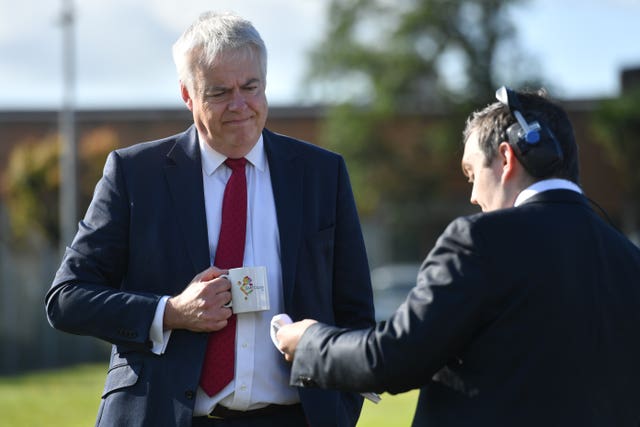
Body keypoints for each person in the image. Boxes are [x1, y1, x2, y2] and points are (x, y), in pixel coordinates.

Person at [45, 11, 374, 427]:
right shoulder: (136, 175)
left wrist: (341, 409)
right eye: (219, 92)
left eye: (250, 87)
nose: (239, 105)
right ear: (187, 93)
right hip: (166, 415)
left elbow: (355, 312)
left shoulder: (321, 174)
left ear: (265, 84)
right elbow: (67, 298)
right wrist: (170, 312)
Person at [276, 87, 640, 426]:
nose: (473, 197)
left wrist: (309, 341)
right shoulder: (629, 260)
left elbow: (394, 358)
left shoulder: (478, 240)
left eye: (471, 174)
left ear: (506, 157)